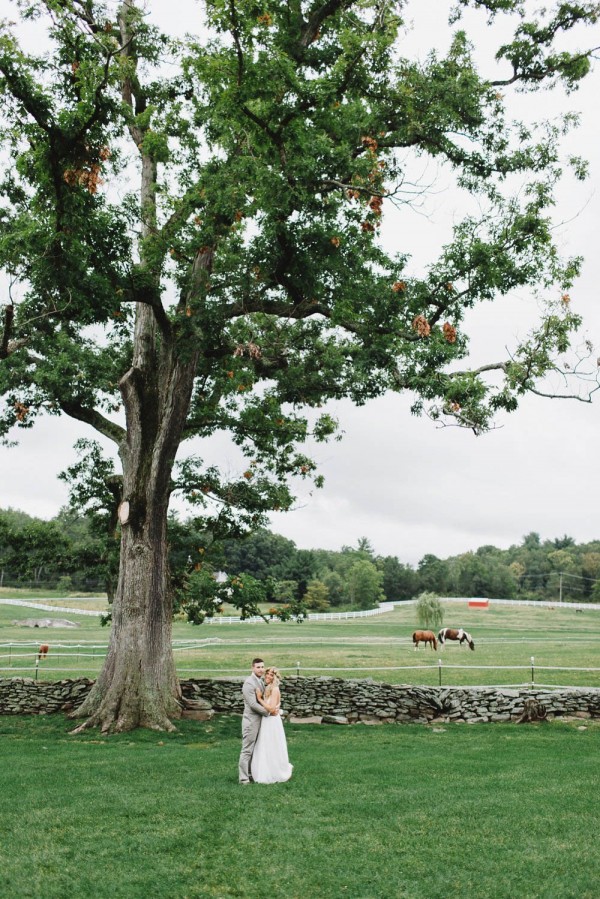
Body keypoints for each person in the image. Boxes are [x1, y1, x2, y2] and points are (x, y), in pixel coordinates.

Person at [250, 666, 293, 784]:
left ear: (275, 678)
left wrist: (259, 699)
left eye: (271, 675)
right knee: (265, 745)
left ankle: (276, 772)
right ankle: (265, 770)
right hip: (266, 721)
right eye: (267, 674)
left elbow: (271, 709)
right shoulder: (268, 688)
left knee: (272, 745)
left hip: (272, 722)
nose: (268, 676)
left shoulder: (275, 690)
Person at [239, 658, 275, 784]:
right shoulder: (249, 683)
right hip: (251, 721)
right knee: (247, 750)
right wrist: (268, 712)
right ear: (252, 668)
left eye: (262, 667)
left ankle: (252, 773)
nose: (261, 669)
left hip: (260, 721)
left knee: (256, 749)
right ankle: (243, 778)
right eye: (258, 667)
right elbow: (253, 704)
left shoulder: (260, 681)